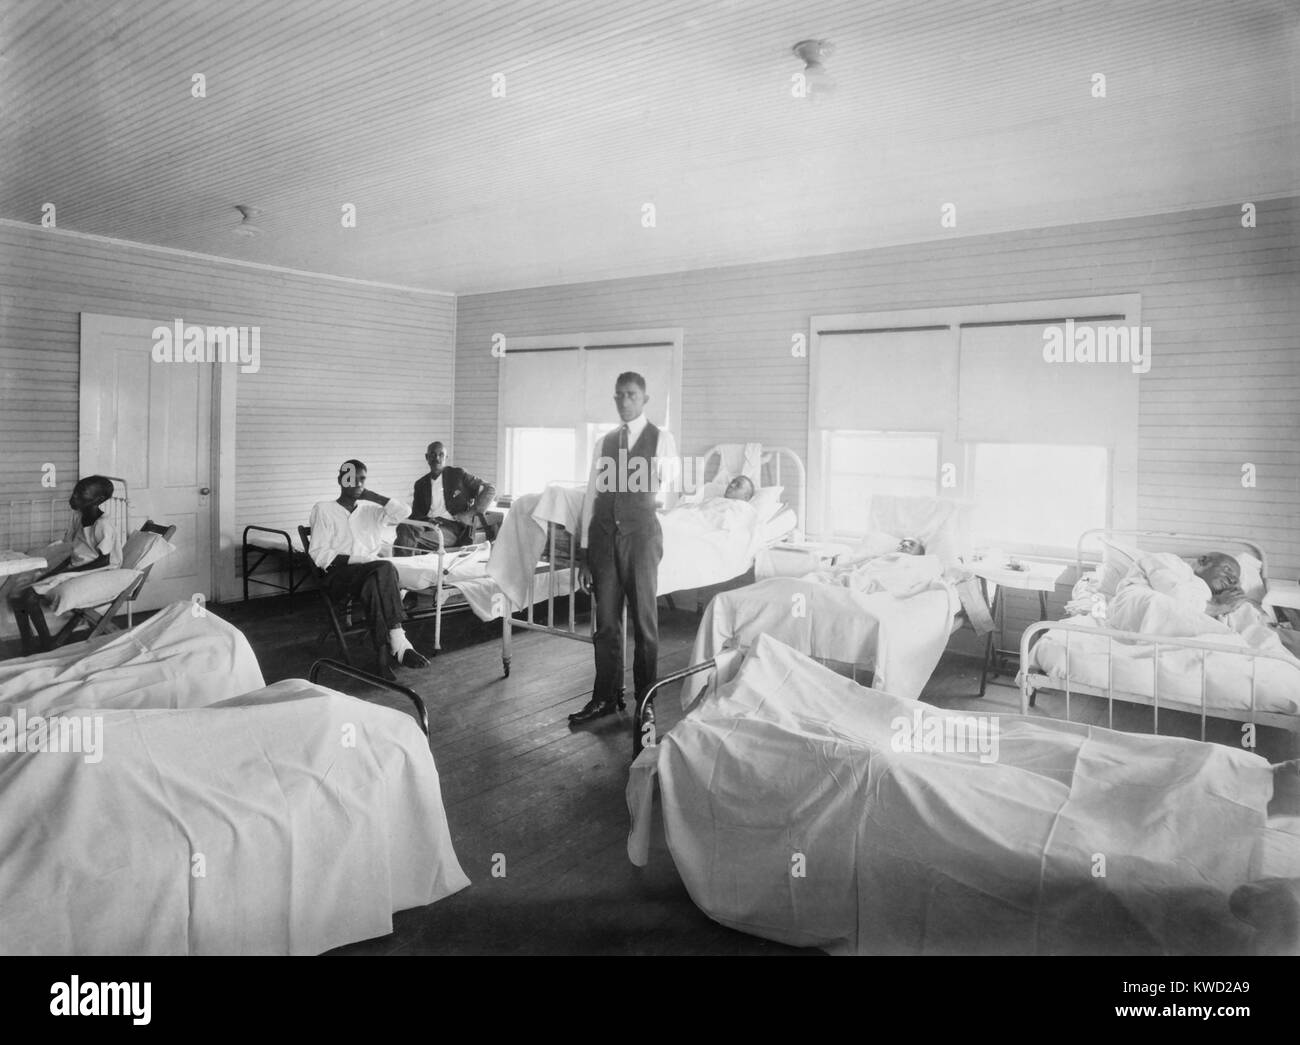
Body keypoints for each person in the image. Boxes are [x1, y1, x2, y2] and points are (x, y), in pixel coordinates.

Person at [570, 372, 679, 725]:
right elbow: (591, 497)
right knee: (606, 624)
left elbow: (666, 492)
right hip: (603, 540)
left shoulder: (662, 440)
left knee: (645, 623)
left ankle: (645, 701)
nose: (623, 401)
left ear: (645, 399)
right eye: (618, 396)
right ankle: (605, 697)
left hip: (641, 539)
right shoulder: (605, 442)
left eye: (631, 395)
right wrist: (586, 552)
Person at [308, 459, 429, 680]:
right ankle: (399, 642)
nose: (357, 483)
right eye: (352, 478)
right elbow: (319, 554)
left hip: (371, 577)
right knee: (384, 567)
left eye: (362, 479)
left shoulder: (371, 511)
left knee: (375, 582)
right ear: (340, 480)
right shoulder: (323, 509)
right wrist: (361, 559)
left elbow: (404, 512)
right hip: (339, 576)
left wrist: (371, 496)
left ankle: (382, 658)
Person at [9, 475, 123, 654]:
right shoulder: (79, 518)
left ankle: (47, 643)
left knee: (30, 596)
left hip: (99, 569)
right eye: (75, 492)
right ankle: (28, 643)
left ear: (98, 500)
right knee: (17, 596)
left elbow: (104, 560)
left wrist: (69, 573)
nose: (74, 498)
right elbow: (76, 554)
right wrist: (53, 573)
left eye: (81, 495)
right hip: (79, 565)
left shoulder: (103, 525)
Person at [395, 441, 496, 554]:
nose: (437, 458)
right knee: (404, 528)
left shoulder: (458, 475)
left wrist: (471, 513)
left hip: (452, 528)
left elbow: (490, 489)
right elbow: (416, 514)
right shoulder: (420, 484)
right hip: (428, 525)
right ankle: (405, 565)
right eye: (432, 454)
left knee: (406, 539)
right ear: (427, 457)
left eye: (441, 454)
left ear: (446, 457)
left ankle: (402, 568)